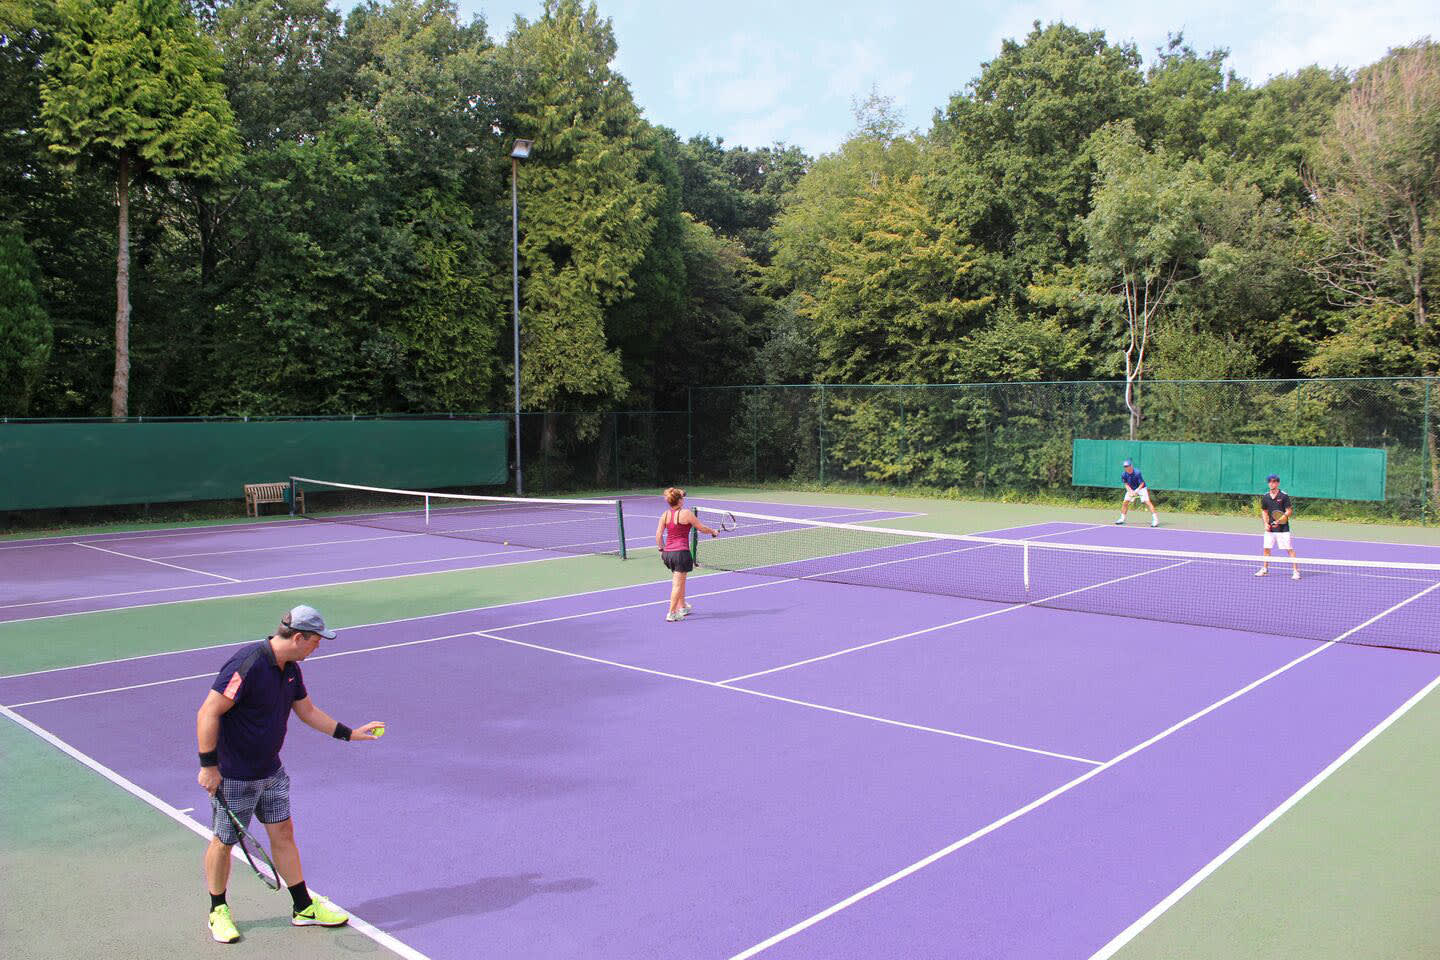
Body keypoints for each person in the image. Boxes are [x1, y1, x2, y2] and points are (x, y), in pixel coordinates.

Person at [196, 605, 384, 944]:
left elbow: (307, 712)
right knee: (223, 843)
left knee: (283, 832)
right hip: (234, 776)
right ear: (299, 637)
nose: (318, 647)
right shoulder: (248, 664)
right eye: (315, 641)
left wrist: (351, 733)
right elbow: (209, 711)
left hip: (271, 771)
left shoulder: (291, 670)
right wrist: (209, 766)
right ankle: (217, 910)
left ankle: (303, 907)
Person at [654, 487, 718, 622]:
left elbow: (658, 535)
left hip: (668, 554)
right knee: (677, 584)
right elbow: (701, 528)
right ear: (680, 500)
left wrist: (661, 549)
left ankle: (682, 606)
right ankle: (672, 613)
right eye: (682, 498)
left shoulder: (665, 515)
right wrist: (713, 531)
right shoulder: (686, 514)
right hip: (681, 554)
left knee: (681, 580)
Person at [1256, 473, 1300, 580]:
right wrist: (1266, 523)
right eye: (1270, 481)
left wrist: (1280, 520)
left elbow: (1289, 511)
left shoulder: (1283, 496)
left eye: (1274, 481)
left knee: (1289, 549)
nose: (1272, 483)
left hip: (1283, 529)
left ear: (1278, 483)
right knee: (1266, 549)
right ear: (1268, 483)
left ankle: (1296, 571)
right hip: (1270, 529)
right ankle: (1265, 569)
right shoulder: (1265, 496)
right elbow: (1264, 511)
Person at [1115, 459, 1159, 527]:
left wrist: (1136, 491)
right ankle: (1122, 519)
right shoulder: (1123, 474)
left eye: (1127, 466)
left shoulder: (1137, 472)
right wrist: (1130, 491)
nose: (1126, 468)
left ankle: (1155, 520)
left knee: (1147, 502)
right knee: (1125, 502)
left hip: (1141, 488)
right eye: (1125, 466)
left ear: (1131, 466)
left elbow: (1142, 483)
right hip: (1131, 489)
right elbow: (1126, 484)